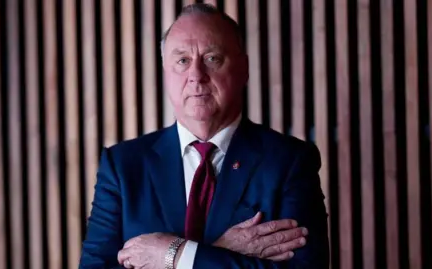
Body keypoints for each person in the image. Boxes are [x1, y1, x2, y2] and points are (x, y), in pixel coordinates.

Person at [79, 3, 329, 269]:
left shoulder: (289, 162)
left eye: (212, 58)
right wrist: (217, 252)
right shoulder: (122, 166)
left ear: (243, 69)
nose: (196, 76)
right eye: (183, 60)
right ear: (166, 72)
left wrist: (174, 254)